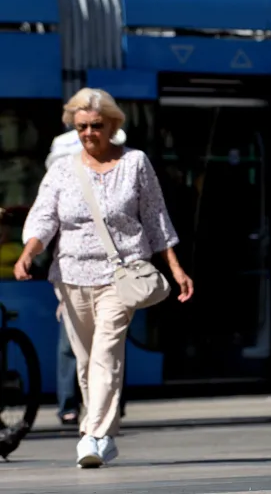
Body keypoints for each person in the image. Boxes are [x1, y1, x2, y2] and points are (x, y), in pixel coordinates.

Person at [14, 87, 194, 467]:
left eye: (96, 126)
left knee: (105, 354)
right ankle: (103, 435)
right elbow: (44, 216)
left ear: (112, 125)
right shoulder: (63, 169)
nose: (89, 134)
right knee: (85, 360)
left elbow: (156, 219)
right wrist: (29, 253)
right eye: (81, 127)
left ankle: (91, 434)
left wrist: (175, 269)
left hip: (120, 275)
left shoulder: (135, 163)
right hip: (71, 275)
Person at [46, 123, 127, 427]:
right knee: (74, 346)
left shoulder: (120, 178)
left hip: (112, 277)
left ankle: (101, 418)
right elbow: (48, 227)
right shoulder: (63, 186)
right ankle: (76, 406)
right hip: (73, 277)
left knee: (109, 343)